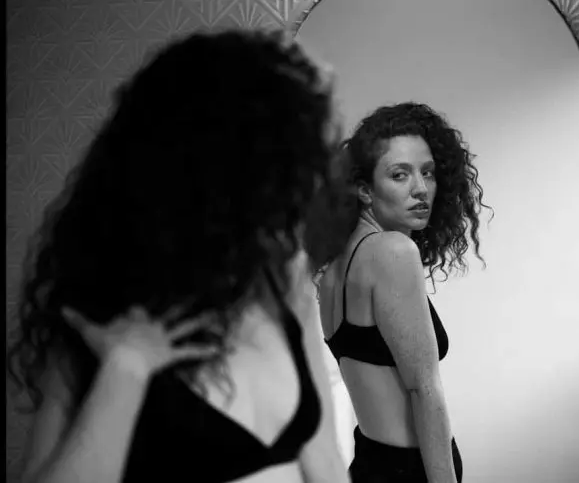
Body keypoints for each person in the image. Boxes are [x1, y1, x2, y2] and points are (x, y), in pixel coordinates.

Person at [6, 29, 351, 483]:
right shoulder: (101, 308)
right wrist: (126, 369)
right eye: (288, 170)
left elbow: (324, 461)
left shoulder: (280, 277)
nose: (305, 190)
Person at [314, 102, 492, 483]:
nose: (421, 189)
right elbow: (423, 389)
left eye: (427, 172)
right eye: (400, 175)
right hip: (410, 472)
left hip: (369, 464)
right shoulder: (393, 252)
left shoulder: (333, 272)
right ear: (365, 190)